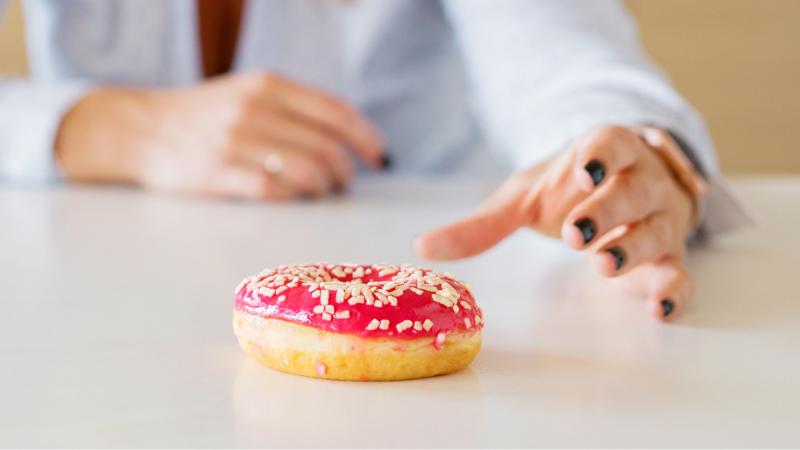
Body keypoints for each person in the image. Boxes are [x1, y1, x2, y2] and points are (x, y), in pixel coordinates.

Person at [0, 0, 751, 320]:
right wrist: (98, 126)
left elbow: (564, 57)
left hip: (457, 271)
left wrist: (634, 160)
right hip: (81, 293)